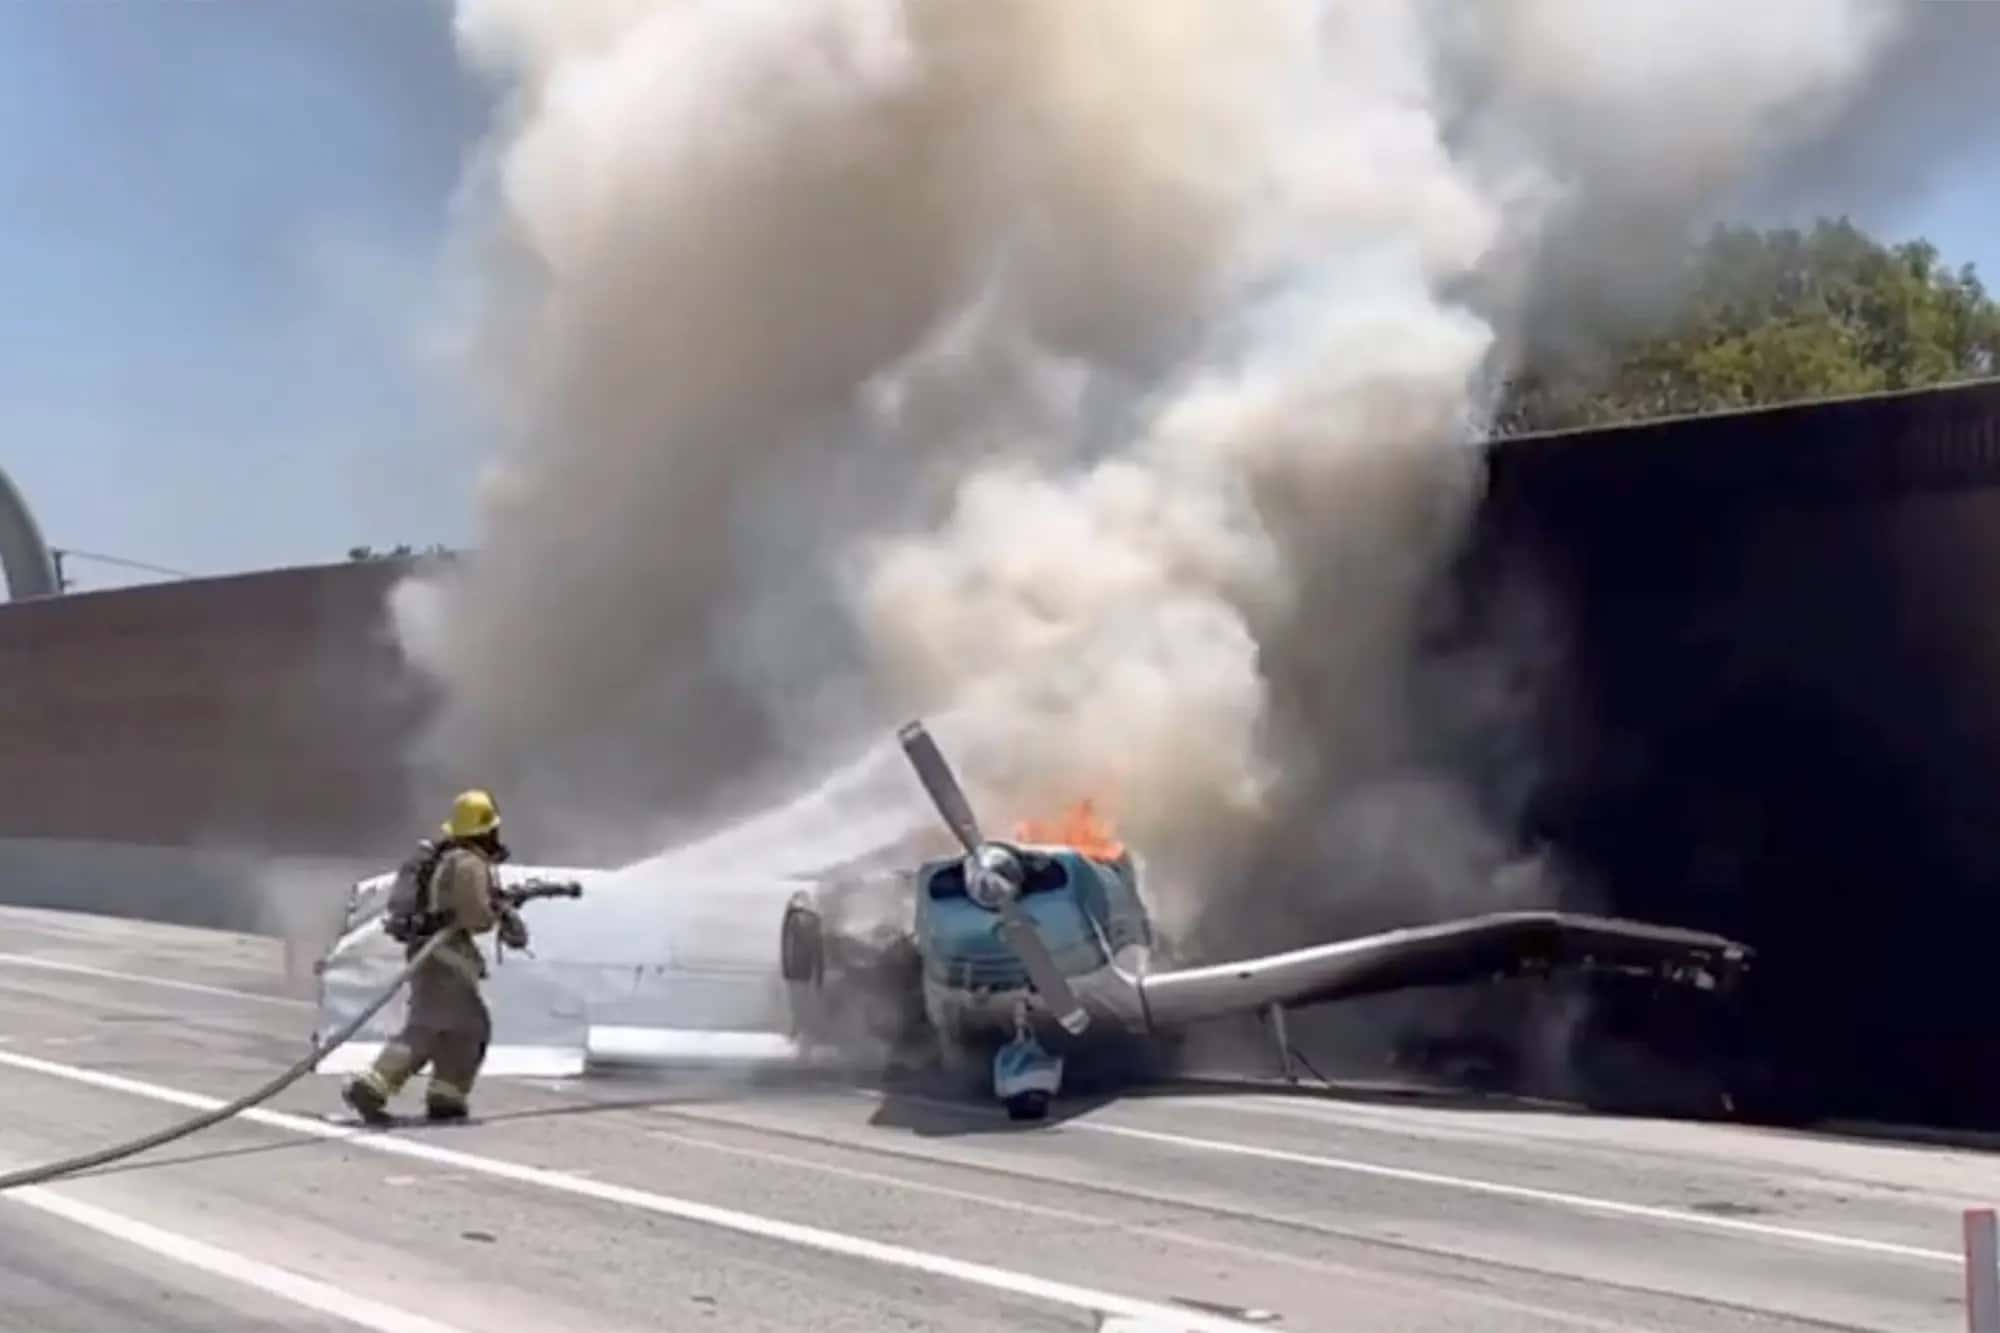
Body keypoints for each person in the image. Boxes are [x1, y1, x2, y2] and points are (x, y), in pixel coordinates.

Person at [342, 789, 528, 1124]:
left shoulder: (448, 857)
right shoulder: (468, 863)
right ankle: (373, 1086)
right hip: (445, 954)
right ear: (485, 830)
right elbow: (474, 916)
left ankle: (446, 1096)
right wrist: (497, 912)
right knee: (438, 1028)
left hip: (432, 951)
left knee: (461, 1028)